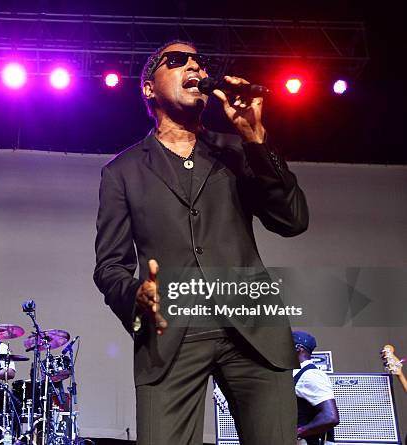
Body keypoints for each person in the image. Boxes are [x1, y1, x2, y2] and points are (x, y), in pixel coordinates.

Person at [93, 40, 309, 445]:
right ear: (148, 88)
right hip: (170, 338)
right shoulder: (121, 173)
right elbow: (109, 267)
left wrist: (256, 139)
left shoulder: (236, 152)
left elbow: (292, 220)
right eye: (176, 61)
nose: (193, 65)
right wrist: (135, 295)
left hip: (254, 332)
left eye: (197, 60)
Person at [293, 331, 339, 445]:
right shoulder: (298, 374)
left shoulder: (310, 375)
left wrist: (297, 433)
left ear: (298, 348)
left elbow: (330, 417)